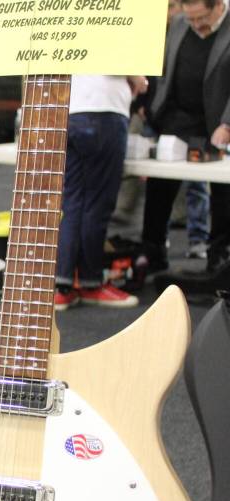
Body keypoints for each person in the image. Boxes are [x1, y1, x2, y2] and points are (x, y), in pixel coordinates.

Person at [143, 0, 230, 274]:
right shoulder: (181, 22)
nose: (194, 25)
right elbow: (165, 68)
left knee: (223, 192)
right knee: (159, 186)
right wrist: (152, 106)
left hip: (216, 123)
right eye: (190, 19)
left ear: (218, 6)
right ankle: (152, 252)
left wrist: (227, 124)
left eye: (200, 19)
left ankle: (219, 257)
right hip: (177, 119)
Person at [55, 75, 148, 310]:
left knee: (73, 202)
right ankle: (90, 283)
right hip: (104, 111)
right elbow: (114, 54)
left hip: (70, 109)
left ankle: (62, 286)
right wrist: (137, 78)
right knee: (97, 203)